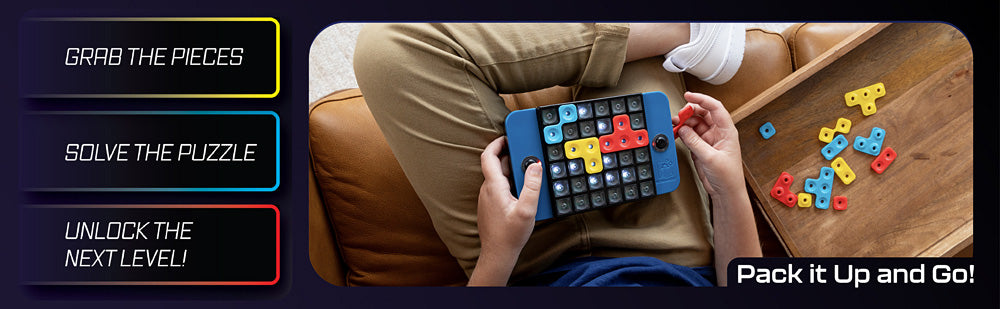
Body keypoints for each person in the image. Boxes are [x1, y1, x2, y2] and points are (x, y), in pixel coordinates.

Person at [354, 23, 761, 287]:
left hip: (523, 263)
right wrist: (728, 190)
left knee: (388, 49)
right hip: (669, 245)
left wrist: (498, 251)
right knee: (639, 62)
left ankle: (683, 29)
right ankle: (682, 30)